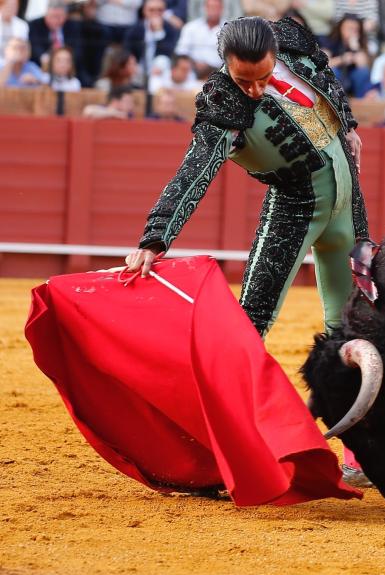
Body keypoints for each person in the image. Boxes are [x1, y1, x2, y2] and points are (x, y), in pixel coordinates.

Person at [122, 17, 371, 486]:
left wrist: (349, 125)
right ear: (225, 68)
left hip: (348, 209)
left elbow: (324, 70)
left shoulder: (293, 50)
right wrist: (156, 238)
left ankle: (359, 453)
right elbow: (194, 173)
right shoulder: (222, 104)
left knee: (354, 329)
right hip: (293, 213)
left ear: (275, 55)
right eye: (243, 80)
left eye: (262, 76)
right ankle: (212, 451)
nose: (255, 90)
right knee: (246, 328)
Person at [124, 0, 181, 78]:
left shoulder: (170, 29)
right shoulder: (135, 29)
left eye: (159, 10)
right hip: (138, 70)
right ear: (144, 11)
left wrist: (159, 33)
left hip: (161, 72)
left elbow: (168, 52)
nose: (155, 13)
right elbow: (127, 49)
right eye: (151, 10)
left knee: (161, 61)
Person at [175, 0, 224, 78]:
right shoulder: (190, 27)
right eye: (210, 7)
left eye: (216, 7)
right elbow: (181, 51)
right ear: (205, 8)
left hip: (218, 72)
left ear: (222, 9)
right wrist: (193, 63)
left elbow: (229, 57)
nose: (213, 10)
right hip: (192, 70)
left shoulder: (228, 30)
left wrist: (209, 67)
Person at [326, 13, 371, 97]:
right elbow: (325, 64)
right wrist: (342, 59)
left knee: (362, 73)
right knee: (333, 71)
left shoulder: (360, 43)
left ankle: (360, 103)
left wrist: (355, 47)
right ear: (341, 28)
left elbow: (363, 65)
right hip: (338, 75)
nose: (351, 31)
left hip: (353, 77)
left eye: (355, 29)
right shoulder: (331, 41)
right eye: (349, 28)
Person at [0, 0, 28, 65]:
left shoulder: (22, 25)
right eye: (8, 6)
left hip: (15, 62)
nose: (11, 8)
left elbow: (23, 46)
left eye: (14, 6)